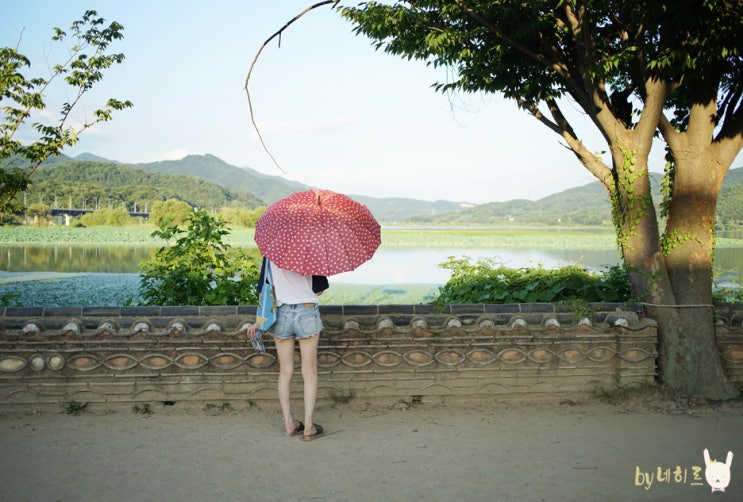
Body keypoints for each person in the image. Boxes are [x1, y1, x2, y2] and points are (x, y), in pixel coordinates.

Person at [247, 258, 329, 441]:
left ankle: (289, 423)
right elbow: (319, 289)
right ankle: (308, 427)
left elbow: (265, 290)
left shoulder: (271, 253)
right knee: (309, 372)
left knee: (285, 372)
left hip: (281, 314)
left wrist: (259, 322)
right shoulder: (310, 249)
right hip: (306, 312)